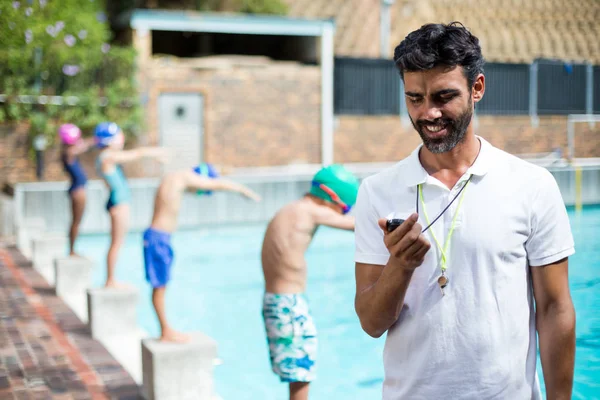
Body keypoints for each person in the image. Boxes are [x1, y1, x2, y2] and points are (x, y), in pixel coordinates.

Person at [353, 22, 576, 399]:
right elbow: (372, 323)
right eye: (415, 98)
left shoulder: (532, 185)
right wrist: (400, 266)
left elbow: (555, 310)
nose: (428, 113)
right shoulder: (377, 192)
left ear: (477, 89)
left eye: (443, 96)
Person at [261, 164, 359, 400]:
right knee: (301, 377)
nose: (341, 214)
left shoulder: (289, 209)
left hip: (275, 302)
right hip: (290, 306)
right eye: (342, 208)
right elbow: (361, 226)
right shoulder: (311, 211)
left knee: (296, 375)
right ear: (331, 197)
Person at [143, 163, 261, 342]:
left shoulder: (172, 178)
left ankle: (165, 329)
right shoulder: (183, 176)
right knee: (160, 286)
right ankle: (166, 331)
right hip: (159, 239)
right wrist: (244, 190)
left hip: (157, 237)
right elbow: (217, 184)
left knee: (160, 285)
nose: (195, 193)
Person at [95, 121, 168, 288]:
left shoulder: (105, 157)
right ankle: (110, 280)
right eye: (118, 137)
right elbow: (137, 153)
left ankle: (111, 279)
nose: (121, 139)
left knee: (116, 242)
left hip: (117, 203)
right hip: (118, 205)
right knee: (116, 243)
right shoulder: (107, 156)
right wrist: (157, 153)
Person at [59, 123, 95, 256]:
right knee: (76, 221)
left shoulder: (68, 152)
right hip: (77, 192)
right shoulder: (68, 153)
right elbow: (79, 148)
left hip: (78, 190)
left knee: (76, 221)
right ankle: (72, 250)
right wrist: (94, 140)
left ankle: (72, 249)